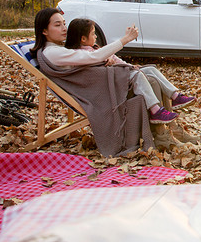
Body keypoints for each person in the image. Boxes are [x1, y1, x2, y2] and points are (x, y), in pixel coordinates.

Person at [29, 8, 171, 157]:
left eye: (64, 24)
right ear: (44, 31)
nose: (64, 29)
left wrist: (104, 60)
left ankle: (167, 132)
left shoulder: (58, 49)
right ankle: (163, 135)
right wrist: (124, 40)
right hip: (96, 95)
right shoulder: (53, 53)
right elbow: (92, 58)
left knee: (150, 76)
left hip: (97, 87)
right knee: (151, 82)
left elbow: (87, 59)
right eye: (57, 25)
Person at [64, 18, 196, 110]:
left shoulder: (95, 49)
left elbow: (114, 58)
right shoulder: (81, 53)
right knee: (146, 78)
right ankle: (155, 108)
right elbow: (93, 64)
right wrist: (107, 62)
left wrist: (130, 65)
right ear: (83, 38)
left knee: (150, 69)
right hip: (112, 83)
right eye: (93, 34)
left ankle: (175, 95)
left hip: (118, 74)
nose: (96, 36)